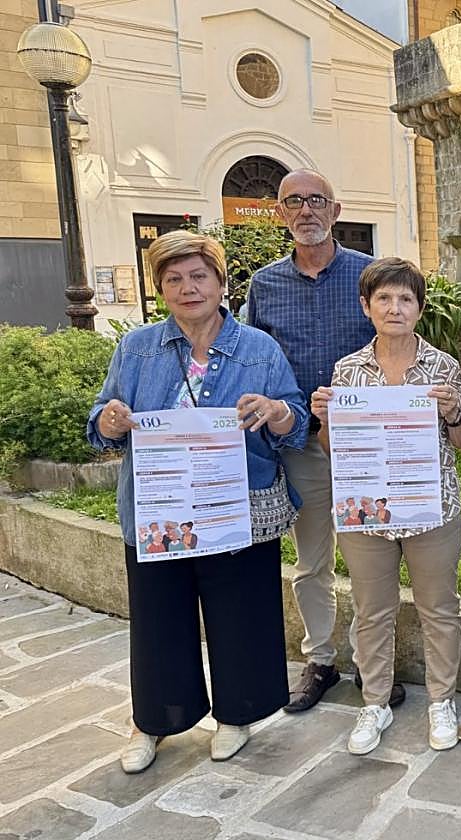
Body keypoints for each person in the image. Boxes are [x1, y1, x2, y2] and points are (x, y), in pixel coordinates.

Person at [88, 230, 308, 774]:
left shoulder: (259, 348)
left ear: (220, 280)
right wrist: (108, 420)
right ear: (160, 288)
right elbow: (100, 420)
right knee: (158, 617)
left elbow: (297, 421)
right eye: (174, 279)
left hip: (236, 506)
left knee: (241, 612)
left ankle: (238, 713)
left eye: (199, 276)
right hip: (158, 509)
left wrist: (277, 413)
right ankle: (156, 719)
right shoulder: (136, 347)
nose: (189, 288)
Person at [248, 168, 406, 711]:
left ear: (336, 211)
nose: (306, 210)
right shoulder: (264, 285)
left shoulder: (369, 276)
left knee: (371, 557)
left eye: (317, 199)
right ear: (281, 213)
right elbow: (256, 361)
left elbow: (399, 345)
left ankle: (370, 662)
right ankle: (320, 660)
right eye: (293, 201)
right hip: (300, 443)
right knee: (312, 560)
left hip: (366, 445)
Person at [311, 258, 461, 756]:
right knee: (372, 610)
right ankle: (375, 701)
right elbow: (329, 448)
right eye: (384, 298)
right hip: (367, 515)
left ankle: (442, 700)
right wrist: (325, 419)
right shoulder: (348, 370)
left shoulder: (443, 367)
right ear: (366, 306)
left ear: (420, 308)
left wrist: (452, 413)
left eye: (406, 299)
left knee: (439, 608)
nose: (395, 307)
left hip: (431, 509)